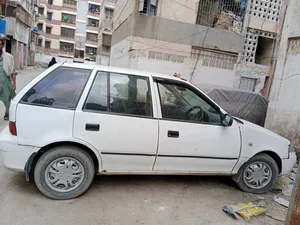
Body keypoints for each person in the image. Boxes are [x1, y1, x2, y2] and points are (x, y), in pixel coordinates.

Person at [0, 36, 17, 120]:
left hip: (5, 82)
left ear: (2, 45)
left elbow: (13, 71)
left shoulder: (9, 57)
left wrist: (14, 83)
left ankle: (7, 112)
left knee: (7, 101)